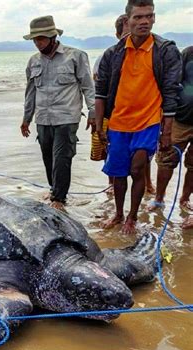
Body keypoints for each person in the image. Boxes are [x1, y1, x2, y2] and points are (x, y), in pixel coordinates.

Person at [95, 0, 182, 234]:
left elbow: (171, 91)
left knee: (137, 168)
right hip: (119, 122)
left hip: (149, 121)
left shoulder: (165, 50)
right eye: (138, 17)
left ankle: (132, 217)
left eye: (149, 16)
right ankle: (119, 213)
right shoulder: (112, 54)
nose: (145, 21)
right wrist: (99, 124)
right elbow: (100, 92)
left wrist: (167, 132)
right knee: (118, 172)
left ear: (154, 18)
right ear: (128, 20)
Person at [20, 15, 95, 209]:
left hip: (67, 116)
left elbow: (88, 86)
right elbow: (30, 92)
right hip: (43, 118)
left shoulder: (76, 56)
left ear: (53, 37)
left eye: (41, 38)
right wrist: (26, 118)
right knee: (48, 157)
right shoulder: (33, 61)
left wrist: (93, 111)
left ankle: (59, 200)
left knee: (62, 157)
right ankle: (55, 190)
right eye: (35, 39)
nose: (37, 43)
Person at [93, 14, 156, 196]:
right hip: (114, 115)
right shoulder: (108, 57)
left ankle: (148, 184)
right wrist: (96, 118)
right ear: (117, 34)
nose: (133, 38)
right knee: (111, 154)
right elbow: (99, 92)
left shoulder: (151, 53)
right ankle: (112, 184)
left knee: (142, 158)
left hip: (144, 116)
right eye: (126, 33)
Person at [147, 46, 193, 229]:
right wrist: (165, 117)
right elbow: (171, 85)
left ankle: (185, 199)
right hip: (180, 118)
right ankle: (159, 199)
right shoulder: (188, 53)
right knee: (166, 159)